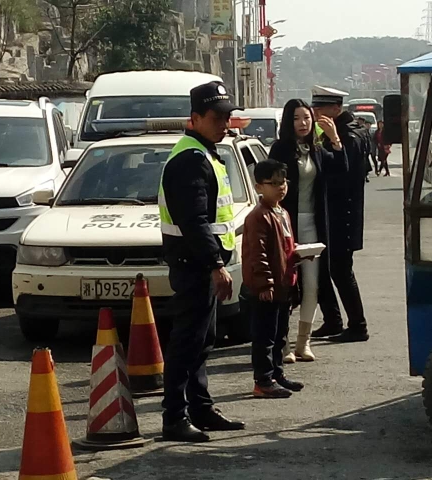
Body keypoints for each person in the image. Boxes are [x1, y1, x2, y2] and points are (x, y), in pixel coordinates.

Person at [158, 81, 245, 442]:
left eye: (227, 117)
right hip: (193, 263)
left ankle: (201, 408)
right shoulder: (190, 160)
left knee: (202, 339)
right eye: (216, 117)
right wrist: (215, 265)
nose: (224, 124)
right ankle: (175, 417)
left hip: (200, 263)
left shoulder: (205, 153)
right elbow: (194, 221)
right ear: (195, 118)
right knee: (188, 341)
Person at [268, 99, 348, 361]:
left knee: (313, 284)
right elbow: (271, 184)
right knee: (286, 285)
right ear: (287, 122)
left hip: (313, 223)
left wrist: (335, 140)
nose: (302, 123)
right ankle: (283, 344)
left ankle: (304, 343)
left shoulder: (317, 149)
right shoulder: (280, 149)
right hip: (286, 224)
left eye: (306, 118)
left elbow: (342, 171)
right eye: (296, 118)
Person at [309, 86, 370, 343]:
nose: (316, 114)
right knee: (325, 268)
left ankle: (358, 324)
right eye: (315, 109)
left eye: (321, 109)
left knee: (341, 270)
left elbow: (345, 173)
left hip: (343, 213)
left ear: (336, 108)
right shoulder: (335, 131)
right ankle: (333, 320)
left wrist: (334, 141)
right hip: (332, 212)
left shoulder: (350, 135)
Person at [243, 159, 305, 398]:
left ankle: (277, 374)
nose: (281, 187)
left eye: (283, 182)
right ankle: (263, 380)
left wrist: (300, 255)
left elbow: (285, 248)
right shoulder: (259, 216)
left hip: (284, 284)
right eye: (274, 183)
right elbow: (257, 254)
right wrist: (264, 283)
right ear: (259, 187)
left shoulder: (282, 213)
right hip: (267, 288)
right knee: (265, 337)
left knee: (280, 334)